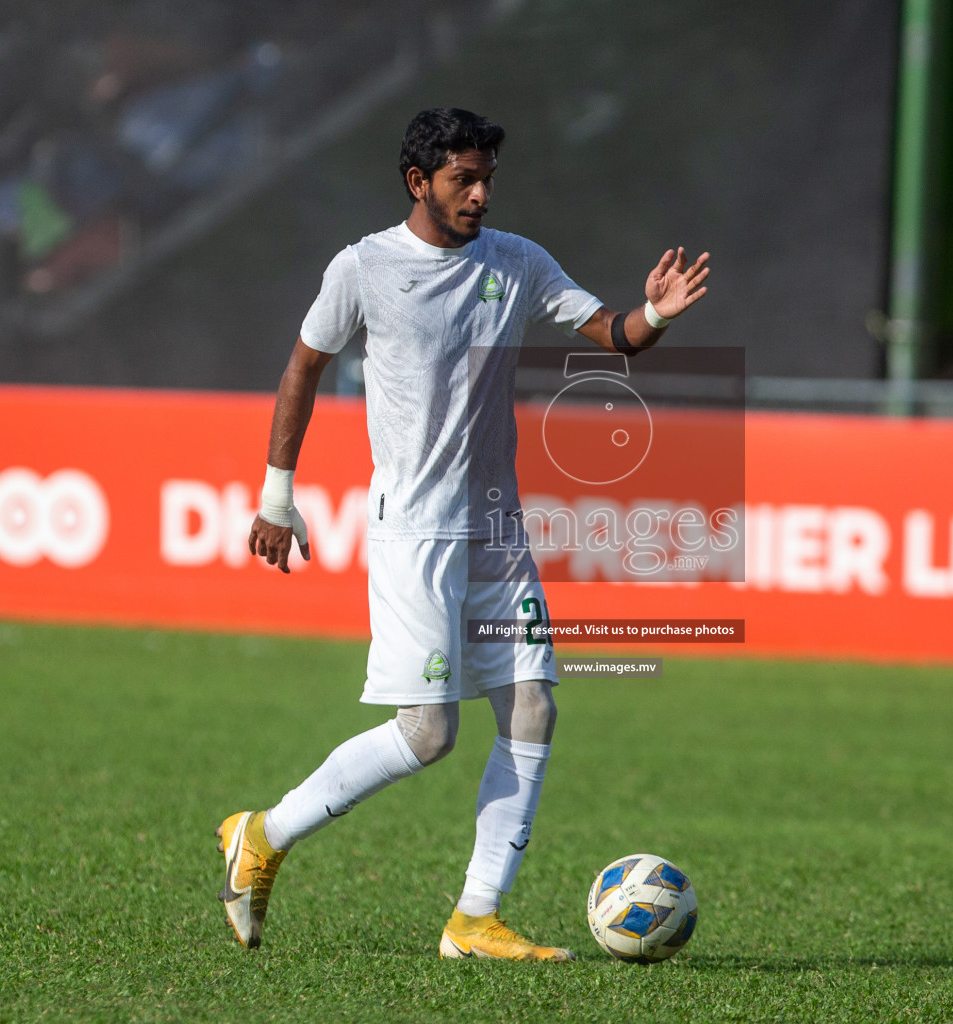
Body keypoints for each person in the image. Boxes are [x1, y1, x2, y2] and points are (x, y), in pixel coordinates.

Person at [215, 107, 710, 960]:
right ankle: (264, 831)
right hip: (413, 532)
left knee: (532, 705)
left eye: (487, 179)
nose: (480, 194)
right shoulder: (364, 267)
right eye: (462, 180)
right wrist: (277, 497)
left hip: (496, 530)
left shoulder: (516, 260)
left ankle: (474, 918)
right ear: (420, 183)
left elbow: (614, 336)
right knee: (428, 734)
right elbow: (305, 364)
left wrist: (654, 314)